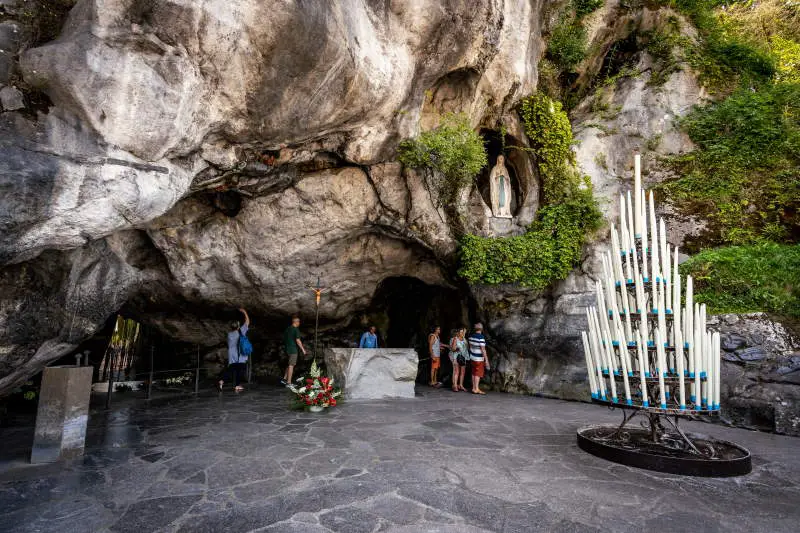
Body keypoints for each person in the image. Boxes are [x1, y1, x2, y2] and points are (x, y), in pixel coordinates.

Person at [218, 308, 250, 392]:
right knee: (241, 369)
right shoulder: (241, 332)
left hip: (232, 354)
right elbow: (247, 322)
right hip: (240, 354)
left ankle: (222, 380)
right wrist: (244, 312)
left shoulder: (229, 334)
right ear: (238, 326)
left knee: (231, 368)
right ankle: (237, 385)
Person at [281, 316, 306, 386]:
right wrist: (303, 349)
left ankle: (284, 379)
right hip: (293, 350)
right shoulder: (296, 329)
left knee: (289, 364)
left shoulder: (287, 329)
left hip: (287, 349)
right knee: (291, 365)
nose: (299, 323)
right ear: (296, 322)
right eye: (299, 322)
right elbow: (298, 340)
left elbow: (284, 338)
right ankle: (289, 382)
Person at [468, 323, 490, 395]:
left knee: (473, 372)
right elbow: (483, 350)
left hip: (472, 357)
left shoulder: (471, 337)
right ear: (481, 329)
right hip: (479, 359)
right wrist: (486, 360)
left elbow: (470, 347)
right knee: (478, 373)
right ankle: (476, 389)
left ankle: (473, 388)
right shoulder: (481, 337)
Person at [449, 327, 469, 392]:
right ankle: (455, 385)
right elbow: (453, 349)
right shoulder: (455, 339)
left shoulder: (464, 339)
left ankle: (461, 385)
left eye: (463, 332)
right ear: (458, 333)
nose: (462, 333)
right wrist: (456, 348)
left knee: (462, 372)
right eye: (461, 332)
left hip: (463, 357)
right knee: (456, 371)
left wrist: (464, 337)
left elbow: (467, 347)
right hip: (456, 356)